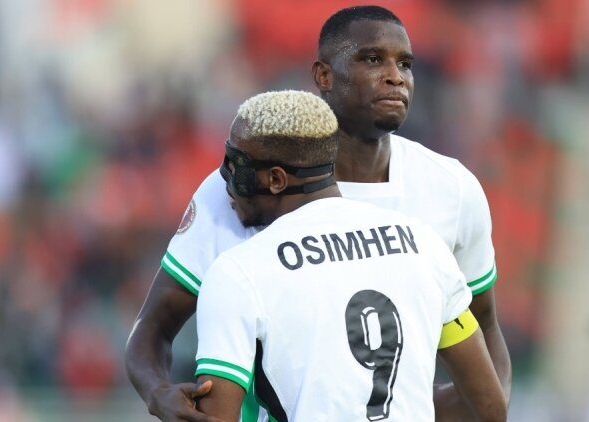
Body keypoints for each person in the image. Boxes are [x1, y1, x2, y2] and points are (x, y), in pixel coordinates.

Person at [125, 5, 511, 422]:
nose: (395, 76)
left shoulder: (452, 189)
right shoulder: (238, 190)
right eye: (372, 59)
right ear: (324, 76)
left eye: (405, 64)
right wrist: (156, 392)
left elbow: (485, 325)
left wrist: (395, 403)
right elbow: (154, 326)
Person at [194, 89, 506, 421]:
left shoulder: (238, 272)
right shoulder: (425, 244)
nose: (225, 183)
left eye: (237, 169)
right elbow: (490, 407)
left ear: (276, 180)